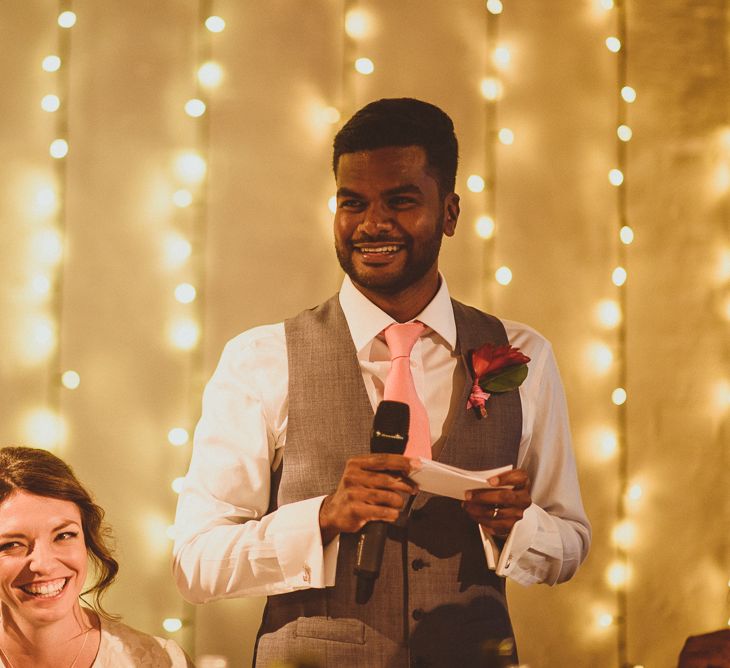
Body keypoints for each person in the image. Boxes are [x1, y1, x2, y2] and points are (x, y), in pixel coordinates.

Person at [173, 97, 590, 667]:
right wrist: (322, 516)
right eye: (353, 203)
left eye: (400, 201)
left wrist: (521, 526)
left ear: (449, 213)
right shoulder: (261, 358)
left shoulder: (525, 355)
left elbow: (570, 544)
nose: (372, 224)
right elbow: (195, 561)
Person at [0, 446, 193, 668]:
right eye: (12, 544)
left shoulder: (161, 661)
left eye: (63, 535)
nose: (43, 564)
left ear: (87, 538)